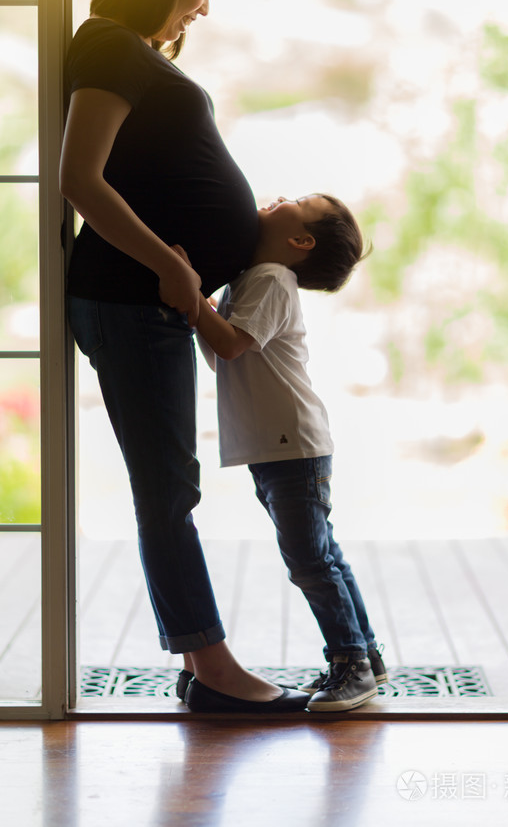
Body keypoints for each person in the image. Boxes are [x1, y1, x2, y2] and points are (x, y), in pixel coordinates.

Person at [60, 0, 308, 714]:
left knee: (172, 481)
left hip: (154, 303)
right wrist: (170, 261)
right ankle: (211, 667)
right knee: (166, 486)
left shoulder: (132, 52)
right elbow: (80, 180)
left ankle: (203, 662)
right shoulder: (106, 45)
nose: (204, 5)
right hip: (132, 299)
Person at [178, 193, 388, 712]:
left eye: (296, 202)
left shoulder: (271, 277)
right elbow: (222, 347)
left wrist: (189, 299)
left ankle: (351, 666)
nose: (277, 198)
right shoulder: (257, 277)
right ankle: (367, 657)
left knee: (309, 561)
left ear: (301, 241)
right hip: (283, 445)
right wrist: (201, 307)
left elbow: (227, 345)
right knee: (322, 555)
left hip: (291, 445)